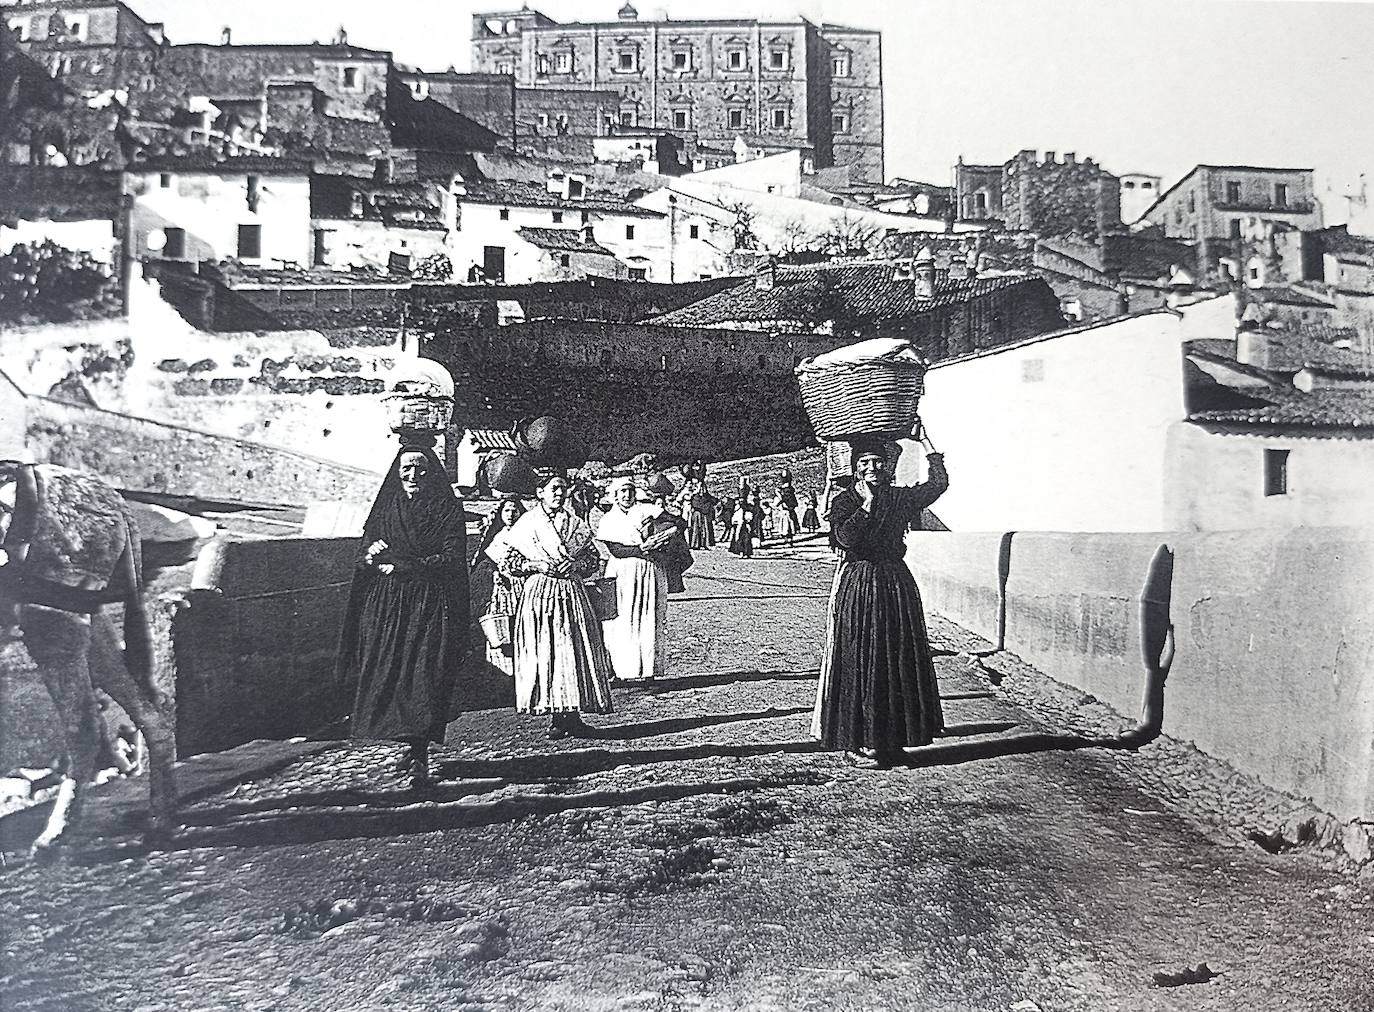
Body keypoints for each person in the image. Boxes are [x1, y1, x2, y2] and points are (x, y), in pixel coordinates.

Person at [812, 430, 950, 769]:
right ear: (856, 468)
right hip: (860, 584)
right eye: (865, 463)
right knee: (863, 657)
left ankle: (892, 740)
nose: (872, 467)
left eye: (877, 462)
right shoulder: (845, 501)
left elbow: (938, 485)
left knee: (896, 657)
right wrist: (867, 505)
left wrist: (926, 443)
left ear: (887, 466)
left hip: (894, 584)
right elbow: (846, 538)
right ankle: (862, 740)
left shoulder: (900, 498)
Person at [336, 442, 470, 786]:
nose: (414, 476)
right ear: (397, 473)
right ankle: (404, 751)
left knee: (423, 676)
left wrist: (405, 566)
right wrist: (371, 552)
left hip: (427, 604)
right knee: (388, 676)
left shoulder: (446, 509)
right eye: (407, 469)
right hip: (387, 607)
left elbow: (451, 557)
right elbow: (366, 549)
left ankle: (419, 753)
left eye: (421, 470)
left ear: (432, 474)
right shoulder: (386, 508)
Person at [501, 472, 613, 737]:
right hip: (540, 593)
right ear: (540, 492)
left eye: (562, 489)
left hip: (571, 592)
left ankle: (571, 714)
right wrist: (534, 565)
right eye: (553, 489)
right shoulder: (527, 525)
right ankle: (554, 714)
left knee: (572, 650)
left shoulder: (576, 525)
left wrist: (576, 565)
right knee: (546, 651)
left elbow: (593, 560)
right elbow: (508, 563)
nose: (559, 494)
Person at [597, 476, 678, 682]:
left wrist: (657, 529)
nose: (627, 495)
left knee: (648, 617)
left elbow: (677, 523)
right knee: (620, 620)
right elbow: (616, 550)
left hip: (649, 570)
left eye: (630, 491)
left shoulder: (647, 510)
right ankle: (621, 670)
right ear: (614, 496)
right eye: (622, 491)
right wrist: (642, 547)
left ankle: (648, 671)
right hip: (623, 572)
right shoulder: (609, 520)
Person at [470, 495, 527, 676]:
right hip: (502, 590)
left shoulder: (528, 533)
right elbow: (486, 561)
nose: (510, 514)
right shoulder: (498, 536)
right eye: (507, 510)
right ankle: (504, 674)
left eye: (514, 510)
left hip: (524, 586)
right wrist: (493, 574)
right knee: (501, 631)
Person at [728, 489, 755, 558]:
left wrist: (748, 522)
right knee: (738, 539)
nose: (740, 501)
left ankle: (747, 553)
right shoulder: (736, 508)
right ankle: (741, 552)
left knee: (746, 540)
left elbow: (749, 516)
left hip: (745, 526)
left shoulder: (746, 508)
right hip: (738, 526)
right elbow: (735, 517)